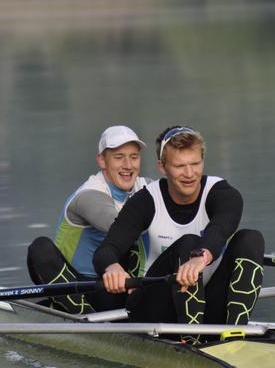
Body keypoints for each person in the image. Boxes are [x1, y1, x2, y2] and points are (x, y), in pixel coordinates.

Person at [93, 126, 264, 330]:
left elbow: (220, 227)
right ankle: (190, 340)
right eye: (180, 166)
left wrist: (202, 256)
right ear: (162, 167)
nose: (190, 174)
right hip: (156, 306)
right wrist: (112, 267)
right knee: (188, 242)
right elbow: (106, 250)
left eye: (195, 164)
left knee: (251, 239)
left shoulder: (223, 193)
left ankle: (237, 332)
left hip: (206, 302)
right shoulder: (146, 201)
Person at [27, 125, 151, 314]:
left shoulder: (147, 187)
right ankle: (81, 314)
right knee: (40, 247)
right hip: (79, 285)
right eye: (119, 157)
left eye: (134, 157)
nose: (128, 165)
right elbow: (121, 227)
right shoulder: (89, 196)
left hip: (121, 286)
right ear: (102, 160)